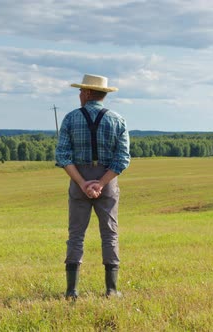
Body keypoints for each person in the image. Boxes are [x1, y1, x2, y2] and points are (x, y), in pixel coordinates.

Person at [55, 74, 130, 300]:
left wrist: (82, 183)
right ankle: (112, 290)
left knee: (76, 234)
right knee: (110, 234)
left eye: (80, 91)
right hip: (107, 181)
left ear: (87, 93)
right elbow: (123, 158)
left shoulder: (70, 119)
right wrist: (101, 182)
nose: (79, 95)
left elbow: (63, 156)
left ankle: (72, 291)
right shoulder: (118, 120)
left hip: (79, 179)